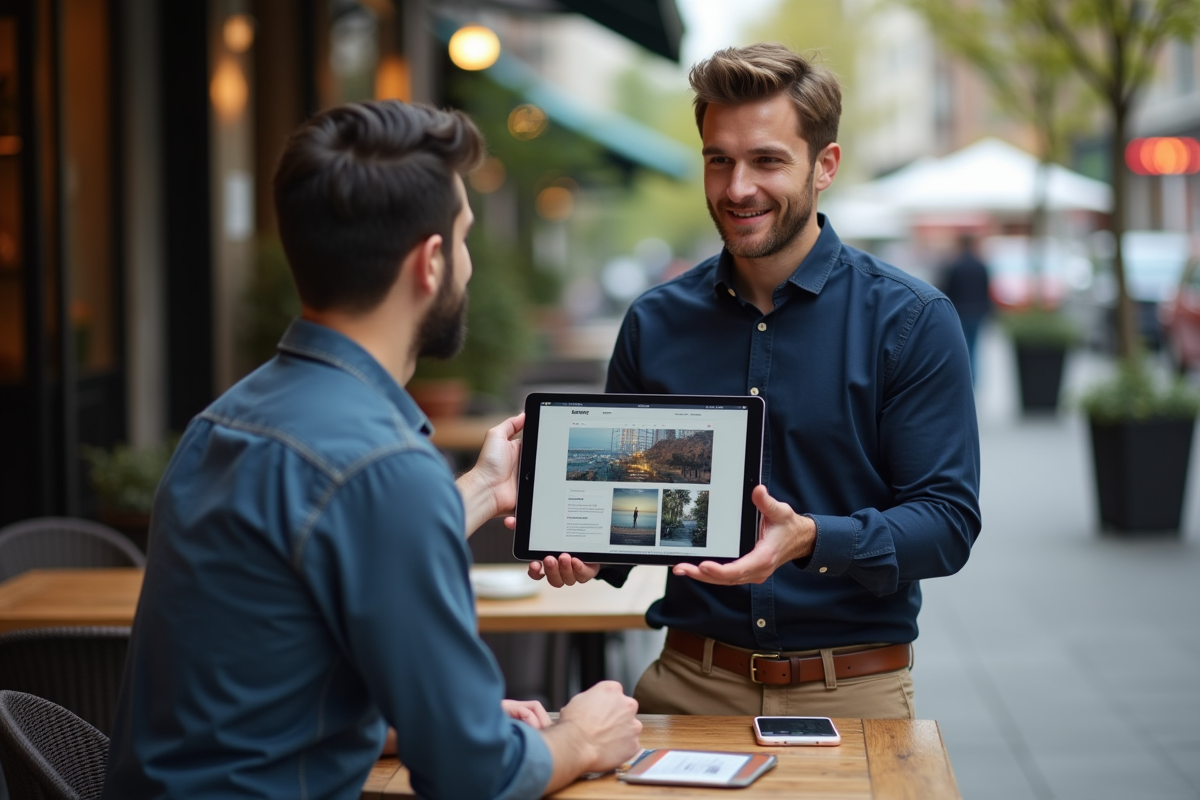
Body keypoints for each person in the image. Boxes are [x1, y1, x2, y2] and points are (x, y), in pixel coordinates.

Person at [101, 100, 641, 800]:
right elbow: (470, 777)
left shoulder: (222, 424)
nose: (471, 269)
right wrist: (581, 736)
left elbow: (261, 679)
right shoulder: (384, 468)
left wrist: (482, 487)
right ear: (433, 261)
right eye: (467, 238)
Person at [526, 43, 981, 720]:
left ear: (824, 165)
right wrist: (583, 549)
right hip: (686, 683)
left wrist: (812, 539)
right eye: (720, 160)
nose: (738, 188)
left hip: (851, 691)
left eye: (767, 160)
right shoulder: (655, 322)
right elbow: (630, 507)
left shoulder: (910, 321)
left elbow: (946, 523)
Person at [939, 233, 993, 383]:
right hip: (977, 312)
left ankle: (965, 379)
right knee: (974, 349)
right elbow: (986, 290)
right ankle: (972, 381)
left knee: (963, 348)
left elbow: (946, 290)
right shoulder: (981, 265)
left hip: (959, 312)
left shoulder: (954, 266)